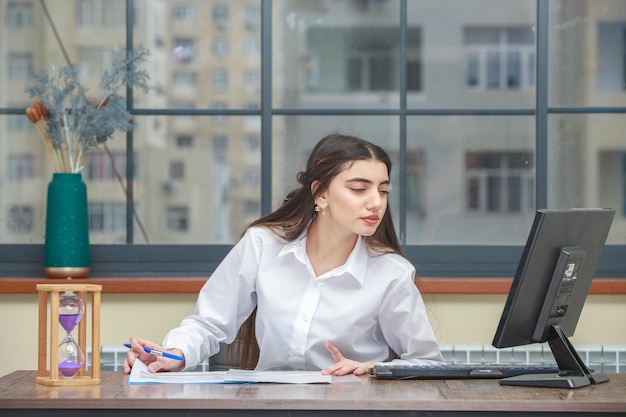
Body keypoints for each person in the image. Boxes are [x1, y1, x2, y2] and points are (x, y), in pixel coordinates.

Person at [124, 132, 444, 376]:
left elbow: (428, 363)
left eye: (383, 190)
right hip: (269, 406)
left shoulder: (392, 273)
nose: (376, 202)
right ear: (320, 193)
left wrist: (374, 370)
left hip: (352, 408)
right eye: (360, 189)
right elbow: (209, 324)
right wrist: (173, 355)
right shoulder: (262, 245)